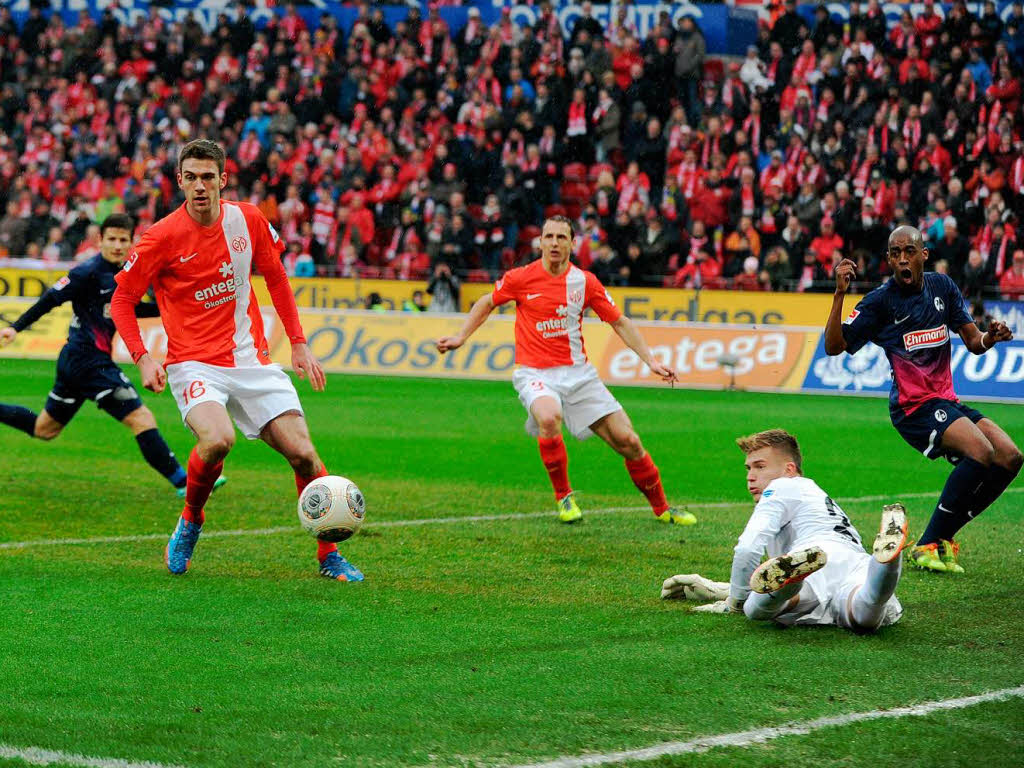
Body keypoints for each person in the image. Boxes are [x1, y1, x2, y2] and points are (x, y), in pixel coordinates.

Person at [110, 139, 362, 582]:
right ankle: (191, 520)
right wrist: (143, 357)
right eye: (191, 177)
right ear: (180, 182)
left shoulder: (248, 219)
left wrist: (299, 343)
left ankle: (329, 556)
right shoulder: (161, 237)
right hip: (194, 363)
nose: (200, 186)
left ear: (223, 180)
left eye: (208, 177)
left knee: (305, 455)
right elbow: (123, 300)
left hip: (251, 360)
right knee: (217, 440)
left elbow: (278, 279)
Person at [436, 215, 696, 526]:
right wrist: (460, 337)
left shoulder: (585, 282)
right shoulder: (521, 278)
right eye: (549, 237)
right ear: (540, 242)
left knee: (629, 441)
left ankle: (663, 509)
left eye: (562, 237)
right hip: (535, 373)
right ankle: (564, 497)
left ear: (573, 243)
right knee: (548, 416)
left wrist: (651, 361)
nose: (555, 243)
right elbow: (486, 302)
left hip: (579, 374)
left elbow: (619, 322)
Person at [824, 226, 1022, 573]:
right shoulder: (880, 302)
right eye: (895, 253)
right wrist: (839, 294)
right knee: (981, 452)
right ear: (888, 259)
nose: (903, 259)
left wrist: (991, 337)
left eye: (909, 251)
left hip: (945, 401)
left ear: (923, 255)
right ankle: (930, 542)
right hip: (912, 408)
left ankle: (943, 536)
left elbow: (974, 343)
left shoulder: (942, 287)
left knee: (1009, 457)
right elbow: (833, 346)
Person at [0, 213, 208, 499]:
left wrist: (170, 308)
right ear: (100, 241)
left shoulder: (125, 274)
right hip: (88, 361)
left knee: (44, 428)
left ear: (132, 242)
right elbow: (50, 298)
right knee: (140, 417)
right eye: (111, 239)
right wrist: (15, 328)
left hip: (75, 361)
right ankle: (183, 481)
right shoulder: (86, 272)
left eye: (123, 240)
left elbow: (128, 309)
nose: (117, 245)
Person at [661, 429, 907, 633]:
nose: (750, 477)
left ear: (789, 469)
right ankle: (888, 562)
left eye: (759, 466)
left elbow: (748, 548)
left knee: (754, 610)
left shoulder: (781, 487)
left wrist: (734, 603)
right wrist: (717, 588)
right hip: (854, 563)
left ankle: (790, 584)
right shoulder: (814, 494)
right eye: (748, 468)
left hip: (813, 558)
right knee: (864, 614)